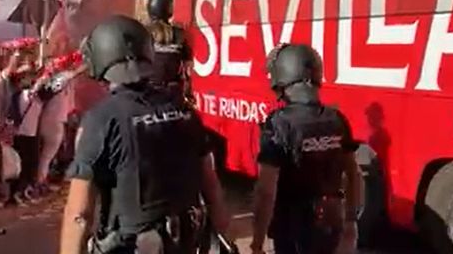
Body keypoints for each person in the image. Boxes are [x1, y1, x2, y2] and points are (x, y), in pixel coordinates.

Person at [59, 15, 231, 254]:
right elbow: (211, 188)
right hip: (184, 243)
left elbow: (79, 214)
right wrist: (224, 239)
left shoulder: (101, 119)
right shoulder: (184, 111)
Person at [249, 44, 361, 254]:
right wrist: (351, 223)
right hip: (330, 226)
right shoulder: (337, 119)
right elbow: (353, 175)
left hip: (292, 232)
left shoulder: (279, 124)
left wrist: (257, 242)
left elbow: (266, 191)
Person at [144, 0, 193, 106]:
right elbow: (188, 67)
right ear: (169, 9)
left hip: (148, 92)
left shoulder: (143, 32)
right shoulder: (180, 33)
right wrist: (187, 90)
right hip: (173, 91)